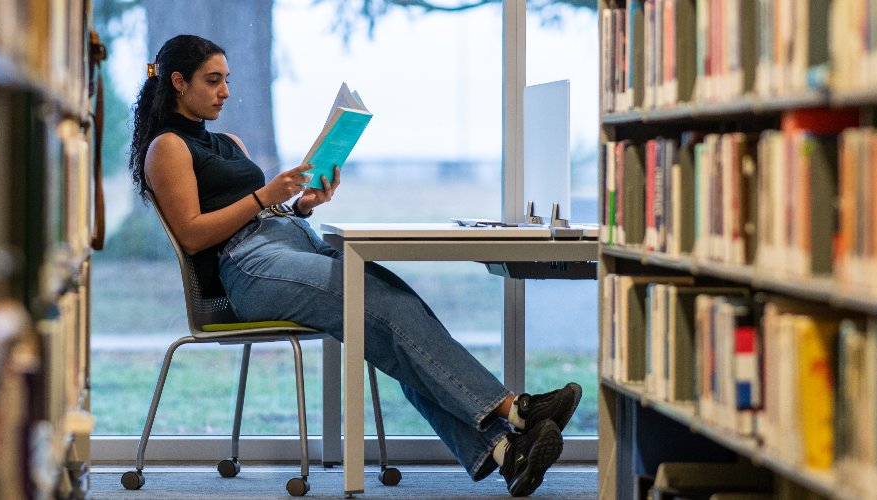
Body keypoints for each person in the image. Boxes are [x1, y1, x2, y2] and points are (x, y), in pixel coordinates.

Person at [129, 34, 582, 497]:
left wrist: (302, 206)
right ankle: (517, 409)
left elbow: (261, 212)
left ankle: (507, 453)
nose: (225, 91)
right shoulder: (167, 148)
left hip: (290, 242)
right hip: (248, 267)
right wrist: (266, 195)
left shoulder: (229, 142)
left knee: (398, 313)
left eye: (227, 80)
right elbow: (192, 233)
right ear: (179, 82)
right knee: (386, 308)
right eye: (213, 80)